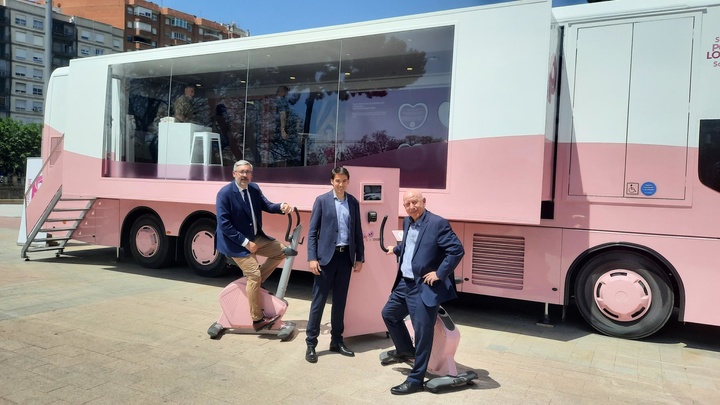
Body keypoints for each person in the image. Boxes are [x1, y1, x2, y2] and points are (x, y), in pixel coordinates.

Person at [381, 189, 464, 395]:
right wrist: (397, 249)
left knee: (422, 333)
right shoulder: (408, 221)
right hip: (405, 284)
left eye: (415, 202)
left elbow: (456, 249)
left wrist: (440, 273)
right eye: (407, 204)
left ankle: (416, 380)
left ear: (424, 201)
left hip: (424, 287)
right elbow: (412, 246)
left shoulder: (438, 223)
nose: (411, 207)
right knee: (389, 314)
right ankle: (406, 351)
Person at [215, 160, 295, 331]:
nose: (244, 175)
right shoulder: (225, 194)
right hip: (235, 243)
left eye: (248, 172)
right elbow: (224, 224)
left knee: (281, 251)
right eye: (241, 172)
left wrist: (281, 206)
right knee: (253, 275)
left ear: (251, 174)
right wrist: (245, 242)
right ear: (234, 173)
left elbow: (266, 205)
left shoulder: (254, 189)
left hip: (255, 237)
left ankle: (256, 284)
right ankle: (257, 319)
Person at [305, 167, 364, 363]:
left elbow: (358, 231)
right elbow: (312, 232)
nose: (341, 184)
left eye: (344, 180)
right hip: (324, 260)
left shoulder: (353, 202)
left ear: (348, 181)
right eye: (337, 180)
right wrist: (312, 257)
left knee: (340, 302)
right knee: (318, 302)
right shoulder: (321, 201)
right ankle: (311, 344)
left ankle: (337, 341)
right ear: (332, 181)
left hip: (345, 258)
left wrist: (360, 257)